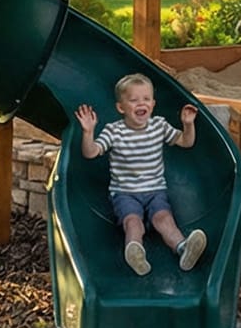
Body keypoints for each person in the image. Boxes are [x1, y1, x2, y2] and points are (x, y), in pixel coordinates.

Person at [76, 74, 207, 275]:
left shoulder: (159, 126)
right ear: (121, 107)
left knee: (164, 219)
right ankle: (135, 252)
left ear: (153, 104)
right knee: (133, 222)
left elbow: (186, 142)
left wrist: (188, 124)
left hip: (155, 191)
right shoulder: (114, 131)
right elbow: (90, 152)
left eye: (146, 99)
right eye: (134, 100)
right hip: (125, 193)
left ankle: (183, 248)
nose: (141, 103)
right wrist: (88, 132)